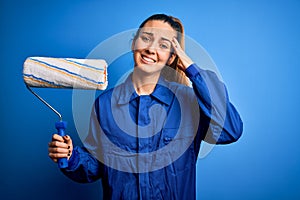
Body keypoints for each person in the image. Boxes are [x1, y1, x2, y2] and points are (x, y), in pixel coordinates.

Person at [48, 14, 243, 199]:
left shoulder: (189, 102)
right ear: (134, 43)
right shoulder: (105, 105)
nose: (151, 49)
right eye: (146, 38)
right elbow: (96, 166)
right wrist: (70, 155)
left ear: (172, 57)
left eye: (163, 45)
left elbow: (230, 130)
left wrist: (192, 69)